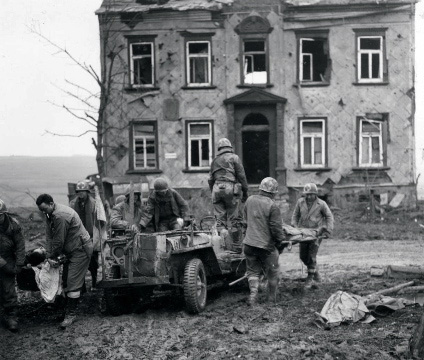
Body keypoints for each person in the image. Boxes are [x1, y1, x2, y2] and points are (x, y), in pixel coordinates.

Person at [36, 193, 93, 329]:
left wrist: (51, 256)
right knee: (66, 279)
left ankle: (71, 314)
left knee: (72, 282)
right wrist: (49, 255)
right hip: (70, 249)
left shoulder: (61, 216)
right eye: (41, 211)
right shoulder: (50, 214)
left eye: (45, 209)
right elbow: (49, 236)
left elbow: (58, 241)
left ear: (51, 204)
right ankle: (68, 308)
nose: (44, 212)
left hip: (80, 250)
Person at [242, 177, 286, 305]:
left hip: (249, 245)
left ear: (260, 189)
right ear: (273, 192)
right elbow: (276, 229)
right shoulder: (273, 206)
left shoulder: (249, 200)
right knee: (273, 272)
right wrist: (280, 243)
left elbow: (245, 223)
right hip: (265, 247)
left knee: (252, 271)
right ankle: (271, 300)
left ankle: (253, 295)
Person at [208, 138, 248, 252]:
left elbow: (210, 179)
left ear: (219, 148)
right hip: (230, 189)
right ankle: (236, 247)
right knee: (235, 220)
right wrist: (245, 192)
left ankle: (222, 247)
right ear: (229, 147)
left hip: (216, 188)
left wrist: (214, 192)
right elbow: (241, 176)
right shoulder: (234, 157)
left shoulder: (214, 160)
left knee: (220, 221)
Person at [291, 183, 334, 283]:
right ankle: (316, 273)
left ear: (315, 194)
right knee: (303, 256)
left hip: (316, 233)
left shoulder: (321, 204)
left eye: (311, 194)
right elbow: (295, 215)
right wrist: (295, 227)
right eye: (307, 194)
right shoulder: (300, 202)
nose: (309, 196)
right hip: (303, 233)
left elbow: (329, 217)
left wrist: (328, 230)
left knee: (311, 255)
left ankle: (310, 277)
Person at [0, 199, 25, 332]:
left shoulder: (13, 225)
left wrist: (19, 264)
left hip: (8, 256)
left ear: (5, 214)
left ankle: (11, 316)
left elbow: (20, 245)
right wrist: (4, 265)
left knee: (8, 288)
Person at [69, 181, 99, 290]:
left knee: (93, 262)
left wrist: (95, 236)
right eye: (79, 192)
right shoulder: (72, 204)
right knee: (80, 262)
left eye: (83, 191)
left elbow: (97, 221)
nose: (81, 194)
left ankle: (95, 283)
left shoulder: (94, 203)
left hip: (91, 236)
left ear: (87, 192)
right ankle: (83, 287)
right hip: (78, 237)